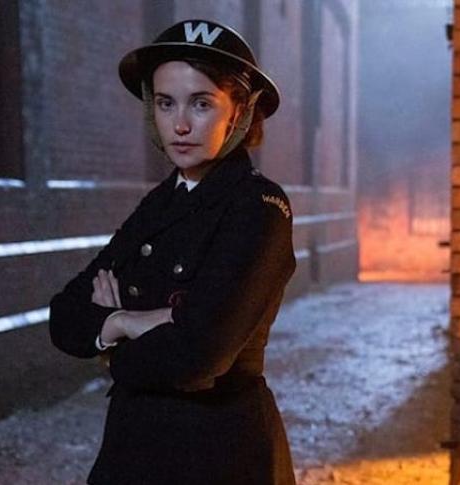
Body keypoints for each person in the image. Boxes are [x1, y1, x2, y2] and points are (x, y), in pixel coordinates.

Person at [47, 19, 297, 485]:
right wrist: (126, 322)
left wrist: (115, 353)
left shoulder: (260, 207)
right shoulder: (161, 202)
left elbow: (198, 357)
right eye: (165, 103)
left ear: (238, 111)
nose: (180, 124)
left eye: (202, 104)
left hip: (219, 451)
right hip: (133, 447)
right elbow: (65, 317)